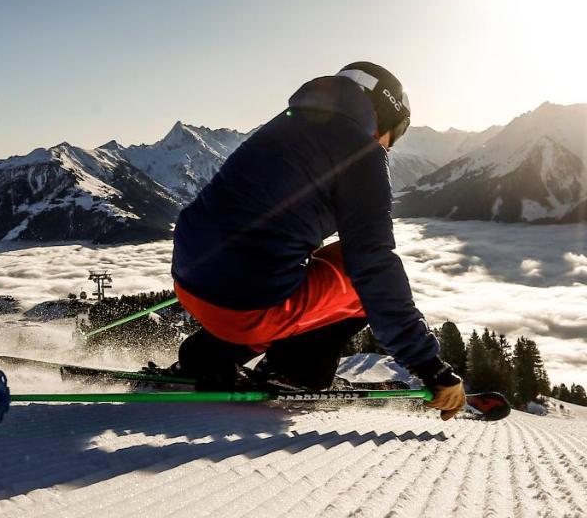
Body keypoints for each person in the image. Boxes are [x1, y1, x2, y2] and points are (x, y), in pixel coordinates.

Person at [169, 62, 468, 420]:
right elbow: (373, 265)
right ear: (385, 115)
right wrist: (429, 365)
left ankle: (209, 356)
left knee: (300, 269)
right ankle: (297, 371)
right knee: (357, 278)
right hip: (247, 306)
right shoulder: (361, 149)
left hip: (190, 281)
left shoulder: (287, 122)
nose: (390, 145)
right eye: (396, 133)